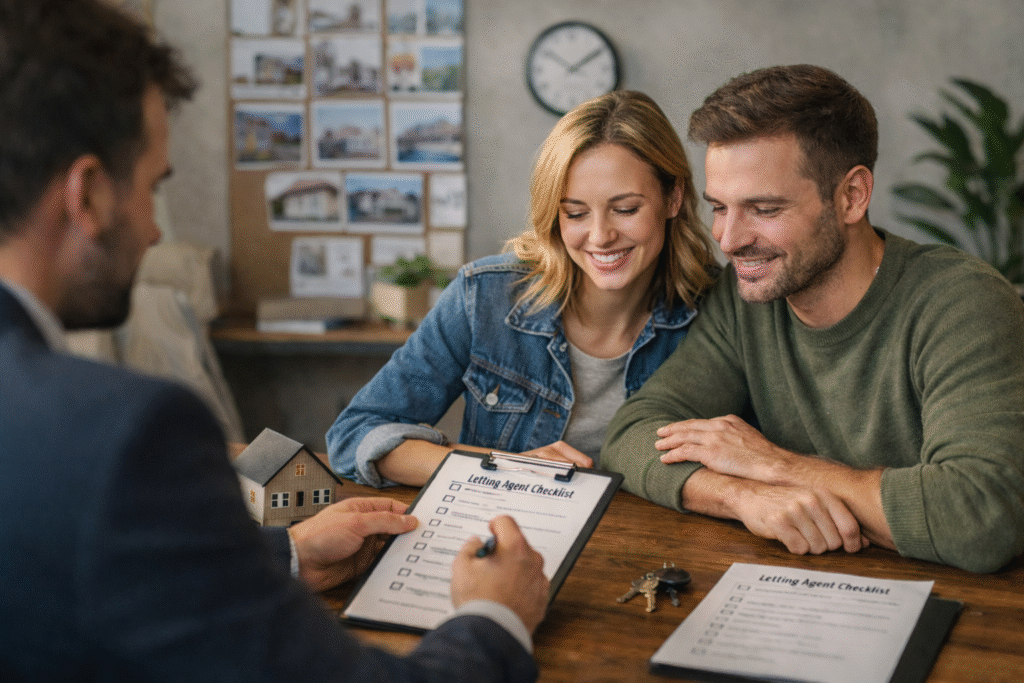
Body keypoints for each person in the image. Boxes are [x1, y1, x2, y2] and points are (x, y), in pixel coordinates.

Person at [0, 1, 549, 680]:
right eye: (152, 188)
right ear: (86, 195)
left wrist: (284, 555)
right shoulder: (125, 433)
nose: (154, 231)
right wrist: (494, 617)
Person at [602, 64, 1024, 574]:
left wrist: (771, 465)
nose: (730, 239)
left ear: (852, 196)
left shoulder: (962, 303)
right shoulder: (744, 301)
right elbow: (632, 435)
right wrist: (743, 497)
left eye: (764, 208)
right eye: (719, 207)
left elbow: (981, 516)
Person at [327, 90, 717, 487]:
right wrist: (496, 464)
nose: (600, 236)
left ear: (673, 198)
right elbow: (355, 434)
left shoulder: (719, 312)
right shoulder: (486, 297)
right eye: (576, 213)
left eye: (626, 209)